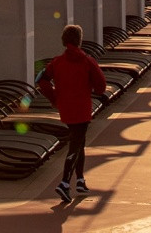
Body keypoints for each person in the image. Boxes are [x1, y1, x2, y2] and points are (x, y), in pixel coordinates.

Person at [37, 23, 107, 202]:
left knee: (79, 142)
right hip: (82, 109)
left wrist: (54, 98)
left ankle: (80, 180)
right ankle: (65, 182)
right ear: (79, 40)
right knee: (75, 145)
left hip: (66, 108)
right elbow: (101, 86)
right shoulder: (87, 61)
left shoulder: (57, 62)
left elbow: (41, 80)